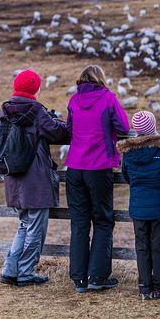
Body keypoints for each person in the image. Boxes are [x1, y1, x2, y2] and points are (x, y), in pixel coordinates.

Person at [0, 69, 69, 287]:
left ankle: (10, 270)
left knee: (24, 223)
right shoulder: (36, 111)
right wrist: (57, 120)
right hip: (35, 178)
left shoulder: (5, 110)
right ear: (35, 88)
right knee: (35, 227)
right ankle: (26, 273)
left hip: (13, 175)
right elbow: (59, 133)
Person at [65, 65, 130, 293]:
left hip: (74, 165)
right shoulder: (108, 98)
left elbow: (69, 128)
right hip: (99, 164)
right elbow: (124, 126)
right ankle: (98, 276)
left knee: (79, 221)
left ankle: (79, 278)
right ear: (101, 79)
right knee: (102, 220)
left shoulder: (74, 100)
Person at [117, 111, 160, 301]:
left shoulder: (128, 152)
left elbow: (127, 176)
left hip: (138, 204)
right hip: (158, 204)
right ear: (153, 127)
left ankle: (145, 288)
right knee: (158, 245)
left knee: (141, 245)